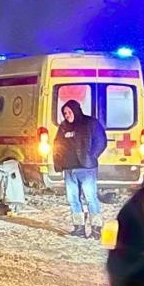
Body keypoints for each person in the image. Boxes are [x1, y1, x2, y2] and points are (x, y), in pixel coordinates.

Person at [53, 98, 107, 238]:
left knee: (90, 198)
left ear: (75, 110)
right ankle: (79, 228)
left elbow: (101, 141)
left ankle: (96, 229)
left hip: (86, 168)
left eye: (69, 112)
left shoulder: (90, 123)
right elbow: (57, 145)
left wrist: (92, 156)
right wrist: (58, 162)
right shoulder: (63, 127)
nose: (67, 115)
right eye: (64, 113)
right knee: (73, 200)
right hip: (69, 169)